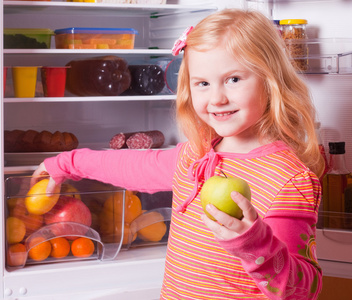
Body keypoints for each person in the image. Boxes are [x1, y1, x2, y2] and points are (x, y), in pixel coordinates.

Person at [32, 8, 324, 300]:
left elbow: (303, 292)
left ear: (270, 79)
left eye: (234, 79)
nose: (217, 98)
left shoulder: (288, 179)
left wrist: (255, 244)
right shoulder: (196, 154)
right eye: (203, 84)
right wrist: (65, 163)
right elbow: (131, 166)